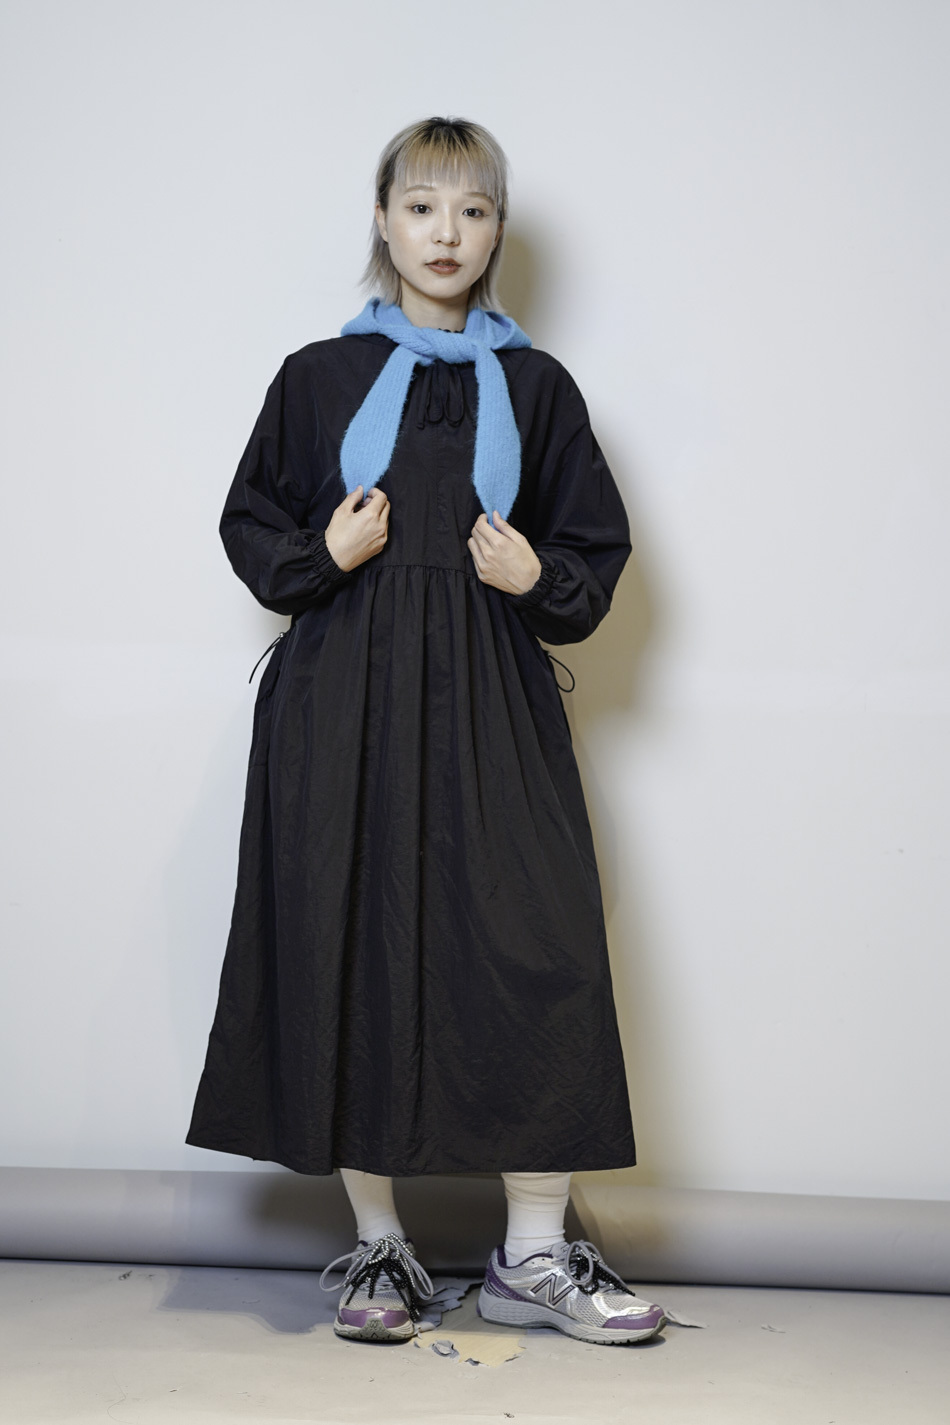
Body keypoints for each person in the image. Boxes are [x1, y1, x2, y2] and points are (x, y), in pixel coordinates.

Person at [185, 116, 667, 1346]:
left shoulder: (538, 389)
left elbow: (594, 553)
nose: (444, 232)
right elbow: (250, 528)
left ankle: (532, 1256)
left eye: (471, 209)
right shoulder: (316, 379)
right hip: (339, 703)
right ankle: (382, 1246)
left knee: (537, 945)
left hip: (493, 703)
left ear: (496, 230)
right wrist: (324, 553)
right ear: (383, 220)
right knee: (350, 942)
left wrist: (533, 578)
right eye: (420, 206)